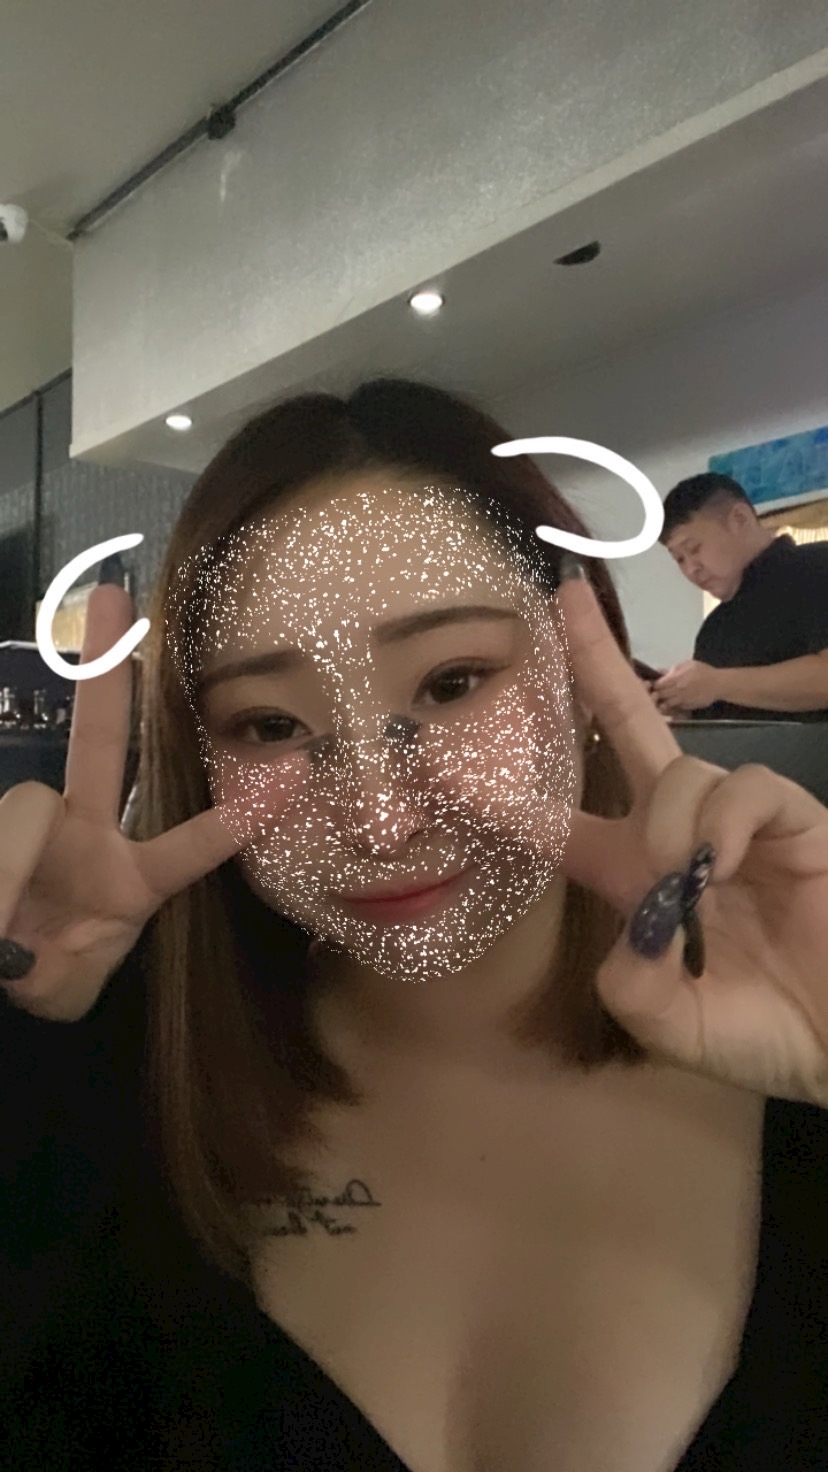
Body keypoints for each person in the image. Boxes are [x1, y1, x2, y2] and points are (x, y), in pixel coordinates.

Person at [0, 379, 826, 1472]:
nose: (380, 822)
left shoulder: (795, 1031)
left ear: (585, 671)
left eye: (452, 681)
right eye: (270, 724)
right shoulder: (110, 1070)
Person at [653, 471, 828, 720]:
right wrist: (680, 703)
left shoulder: (819, 566)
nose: (691, 569)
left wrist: (718, 683)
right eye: (679, 559)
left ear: (739, 518)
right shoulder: (714, 629)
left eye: (694, 549)